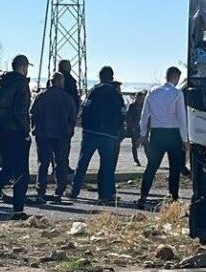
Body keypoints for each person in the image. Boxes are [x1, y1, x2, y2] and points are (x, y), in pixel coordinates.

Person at [0, 55, 32, 218]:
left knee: (7, 168)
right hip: (16, 131)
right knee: (22, 172)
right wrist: (26, 132)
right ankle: (18, 210)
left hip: (1, 131)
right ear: (24, 68)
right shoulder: (21, 84)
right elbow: (20, 111)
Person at [136, 67, 190, 210]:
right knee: (175, 168)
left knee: (151, 167)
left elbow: (144, 115)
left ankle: (143, 196)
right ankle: (174, 197)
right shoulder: (177, 93)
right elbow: (181, 118)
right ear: (176, 77)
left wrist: (143, 134)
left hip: (156, 134)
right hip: (173, 134)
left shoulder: (152, 91)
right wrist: (185, 139)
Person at [70, 66, 125, 204]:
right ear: (112, 77)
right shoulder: (116, 94)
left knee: (83, 163)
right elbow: (122, 113)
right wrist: (115, 128)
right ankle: (106, 195)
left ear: (100, 77)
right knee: (107, 166)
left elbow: (85, 108)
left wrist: (85, 125)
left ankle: (74, 191)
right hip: (109, 135)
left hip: (91, 132)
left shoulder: (94, 91)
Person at [29, 72, 77, 203]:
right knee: (61, 163)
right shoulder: (67, 97)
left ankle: (41, 190)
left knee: (43, 163)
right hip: (62, 135)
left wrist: (34, 129)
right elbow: (73, 116)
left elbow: (32, 113)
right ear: (61, 82)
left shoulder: (41, 96)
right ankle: (59, 191)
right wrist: (70, 130)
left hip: (43, 134)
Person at [125, 90, 146, 166]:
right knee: (134, 144)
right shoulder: (132, 106)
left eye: (142, 98)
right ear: (136, 98)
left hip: (142, 128)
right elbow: (128, 117)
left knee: (146, 144)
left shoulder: (145, 106)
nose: (140, 99)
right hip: (134, 128)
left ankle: (150, 160)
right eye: (139, 98)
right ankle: (136, 160)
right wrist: (131, 127)